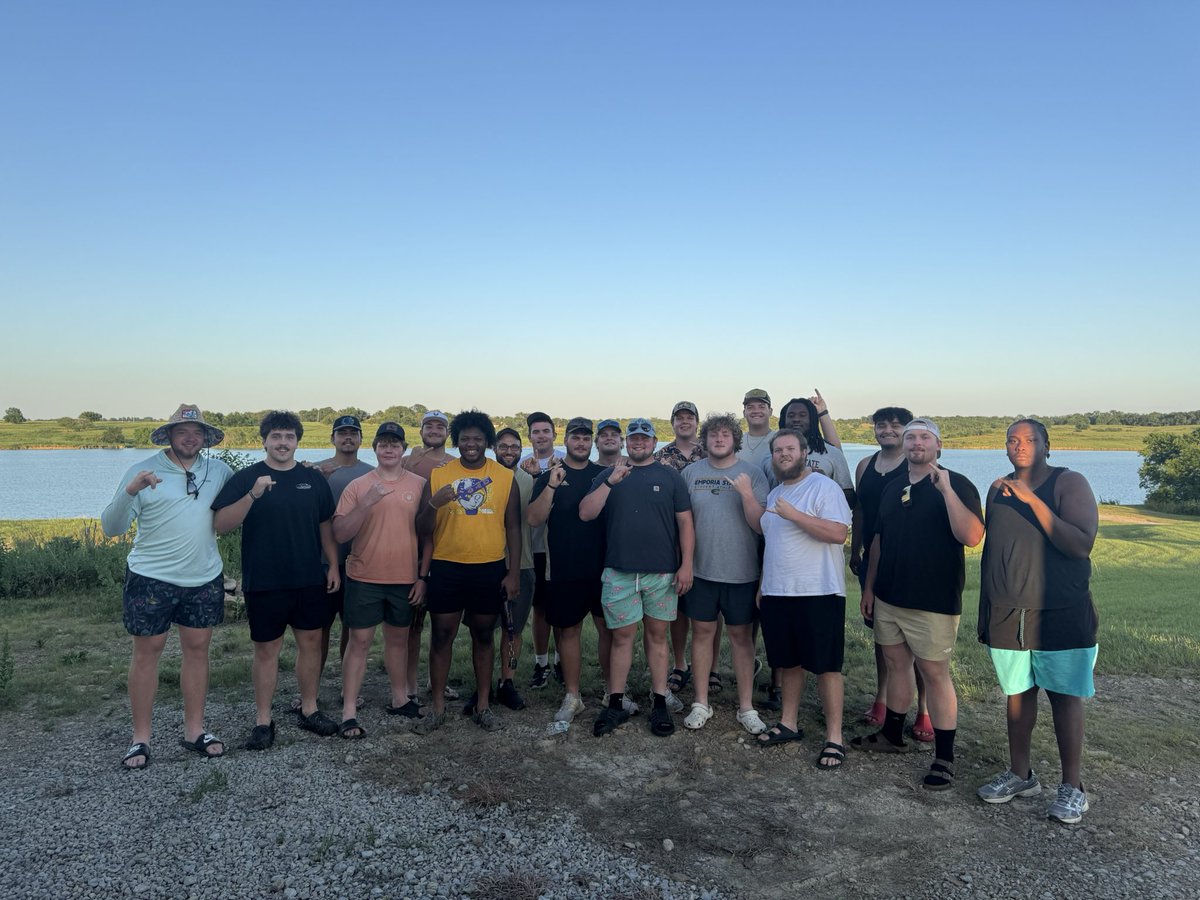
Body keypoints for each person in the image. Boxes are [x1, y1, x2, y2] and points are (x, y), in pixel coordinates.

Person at [975, 419, 1099, 824]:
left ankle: (1072, 787)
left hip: (1060, 611)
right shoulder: (997, 488)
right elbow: (993, 551)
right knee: (1017, 695)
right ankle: (1020, 774)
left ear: (1048, 445)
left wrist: (1032, 500)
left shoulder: (1069, 482)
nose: (1020, 446)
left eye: (1029, 440)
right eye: (1013, 440)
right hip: (1008, 612)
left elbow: (1079, 544)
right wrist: (986, 610)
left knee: (1064, 696)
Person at [101, 404, 234, 769]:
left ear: (205, 438)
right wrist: (130, 491)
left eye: (197, 432)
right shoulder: (142, 471)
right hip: (150, 577)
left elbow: (247, 494)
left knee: (198, 650)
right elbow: (111, 528)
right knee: (147, 652)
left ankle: (194, 731)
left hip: (203, 576)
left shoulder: (219, 471)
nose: (190, 438)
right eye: (183, 431)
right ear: (170, 436)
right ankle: (140, 739)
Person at [854, 418, 984, 792]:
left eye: (924, 437)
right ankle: (891, 734)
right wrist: (870, 588)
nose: (915, 443)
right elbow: (878, 539)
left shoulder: (956, 483)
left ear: (938, 446)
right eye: (911, 437)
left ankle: (944, 757)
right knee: (896, 665)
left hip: (933, 600)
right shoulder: (895, 487)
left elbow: (972, 536)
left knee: (934, 672)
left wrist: (945, 491)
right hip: (890, 596)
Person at [213, 411, 341, 750]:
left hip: (308, 576)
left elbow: (326, 524)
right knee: (267, 650)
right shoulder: (248, 478)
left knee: (311, 645)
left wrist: (332, 565)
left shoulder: (312, 479)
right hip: (265, 580)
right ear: (264, 440)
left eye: (289, 437)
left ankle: (309, 708)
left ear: (298, 441)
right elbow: (221, 524)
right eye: (276, 436)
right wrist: (253, 495)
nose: (282, 443)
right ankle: (263, 720)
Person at [580, 418, 695, 738]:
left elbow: (685, 523)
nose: (639, 442)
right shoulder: (609, 474)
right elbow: (586, 513)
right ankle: (615, 702)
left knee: (658, 636)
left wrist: (686, 565)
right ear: (626, 441)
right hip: (619, 571)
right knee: (622, 637)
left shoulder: (670, 477)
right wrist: (610, 482)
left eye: (645, 437)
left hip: (661, 572)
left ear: (655, 441)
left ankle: (659, 700)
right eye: (634, 437)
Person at [414, 410, 521, 733]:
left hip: (488, 567)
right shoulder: (439, 475)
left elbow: (514, 527)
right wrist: (434, 503)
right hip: (446, 566)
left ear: (487, 442)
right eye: (464, 439)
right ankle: (436, 708)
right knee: (442, 635)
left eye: (477, 439)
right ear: (456, 441)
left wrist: (513, 572)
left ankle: (483, 705)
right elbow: (421, 528)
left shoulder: (504, 477)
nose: (470, 444)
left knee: (484, 635)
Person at [755, 429, 853, 768]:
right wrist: (764, 585)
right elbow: (774, 543)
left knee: (826, 666)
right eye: (778, 450)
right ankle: (788, 722)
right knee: (789, 662)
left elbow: (838, 533)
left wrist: (794, 514)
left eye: (789, 448)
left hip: (819, 591)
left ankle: (834, 737)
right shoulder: (776, 494)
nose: (783, 454)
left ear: (803, 452)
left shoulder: (824, 487)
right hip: (779, 592)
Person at [528, 417, 629, 723]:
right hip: (563, 568)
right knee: (568, 631)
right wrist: (551, 486)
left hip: (603, 568)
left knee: (608, 631)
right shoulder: (551, 475)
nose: (582, 443)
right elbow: (533, 519)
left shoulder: (606, 474)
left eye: (587, 438)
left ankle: (613, 693)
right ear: (567, 440)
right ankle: (573, 696)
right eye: (576, 438)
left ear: (593, 443)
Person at [332, 422, 428, 738]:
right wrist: (366, 504)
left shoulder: (418, 484)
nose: (389, 449)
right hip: (363, 576)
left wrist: (421, 577)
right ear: (374, 448)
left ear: (403, 448)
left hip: (403, 578)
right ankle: (349, 709)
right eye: (383, 444)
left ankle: (400, 698)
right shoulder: (358, 486)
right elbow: (341, 533)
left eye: (395, 444)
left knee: (399, 640)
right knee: (359, 642)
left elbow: (428, 534)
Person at [679, 413, 769, 735]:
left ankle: (747, 707)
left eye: (725, 434)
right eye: (713, 435)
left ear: (735, 440)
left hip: (742, 573)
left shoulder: (754, 474)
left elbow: (761, 525)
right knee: (701, 634)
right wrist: (685, 563)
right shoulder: (691, 473)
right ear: (704, 440)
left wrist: (745, 493)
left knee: (742, 639)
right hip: (701, 572)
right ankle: (701, 702)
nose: (719, 439)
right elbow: (682, 522)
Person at [850, 406, 933, 742]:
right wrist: (855, 546)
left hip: (912, 562)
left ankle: (924, 709)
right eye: (881, 424)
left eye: (896, 425)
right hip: (873, 558)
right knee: (883, 637)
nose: (887, 430)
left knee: (918, 642)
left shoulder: (917, 465)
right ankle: (882, 697)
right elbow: (860, 511)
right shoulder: (865, 466)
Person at [306, 414, 374, 702]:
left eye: (353, 433)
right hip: (321, 561)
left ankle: (349, 688)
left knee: (353, 626)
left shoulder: (371, 474)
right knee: (318, 628)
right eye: (342, 433)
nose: (348, 438)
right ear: (332, 438)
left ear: (361, 439)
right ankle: (312, 687)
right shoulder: (314, 471)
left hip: (359, 562)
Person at [476, 426, 532, 711]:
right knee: (482, 628)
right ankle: (481, 686)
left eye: (515, 447)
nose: (509, 451)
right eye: (504, 446)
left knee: (514, 630)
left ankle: (506, 682)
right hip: (484, 562)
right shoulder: (480, 475)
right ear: (494, 448)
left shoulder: (528, 479)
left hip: (520, 563)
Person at [654, 401, 707, 699]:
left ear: (697, 422)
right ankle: (679, 663)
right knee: (677, 605)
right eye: (679, 417)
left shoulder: (711, 451)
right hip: (671, 539)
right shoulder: (661, 456)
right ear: (672, 422)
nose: (685, 421)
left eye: (690, 417)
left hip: (710, 536)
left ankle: (709, 670)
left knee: (707, 609)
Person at [402, 410, 454, 702]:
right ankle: (409, 684)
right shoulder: (408, 460)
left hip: (443, 549)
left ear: (447, 433)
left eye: (440, 426)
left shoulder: (454, 464)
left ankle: (438, 682)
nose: (434, 430)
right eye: (429, 425)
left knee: (442, 623)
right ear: (421, 430)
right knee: (413, 622)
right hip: (410, 548)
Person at [521, 412, 564, 690]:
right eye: (536, 432)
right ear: (530, 436)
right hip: (533, 546)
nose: (541, 436)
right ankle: (541, 663)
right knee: (540, 609)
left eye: (545, 431)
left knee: (560, 608)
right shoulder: (523, 463)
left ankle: (562, 661)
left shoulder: (565, 460)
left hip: (559, 546)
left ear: (554, 434)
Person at [764, 395, 854, 508]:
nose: (796, 419)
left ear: (812, 419)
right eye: (791, 416)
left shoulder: (832, 453)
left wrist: (823, 482)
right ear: (783, 420)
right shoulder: (771, 456)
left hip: (820, 521)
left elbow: (850, 499)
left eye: (802, 415)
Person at [737, 389, 775, 470]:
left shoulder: (779, 440)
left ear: (770, 411)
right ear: (744, 413)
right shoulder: (736, 442)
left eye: (761, 407)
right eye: (750, 407)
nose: (756, 411)